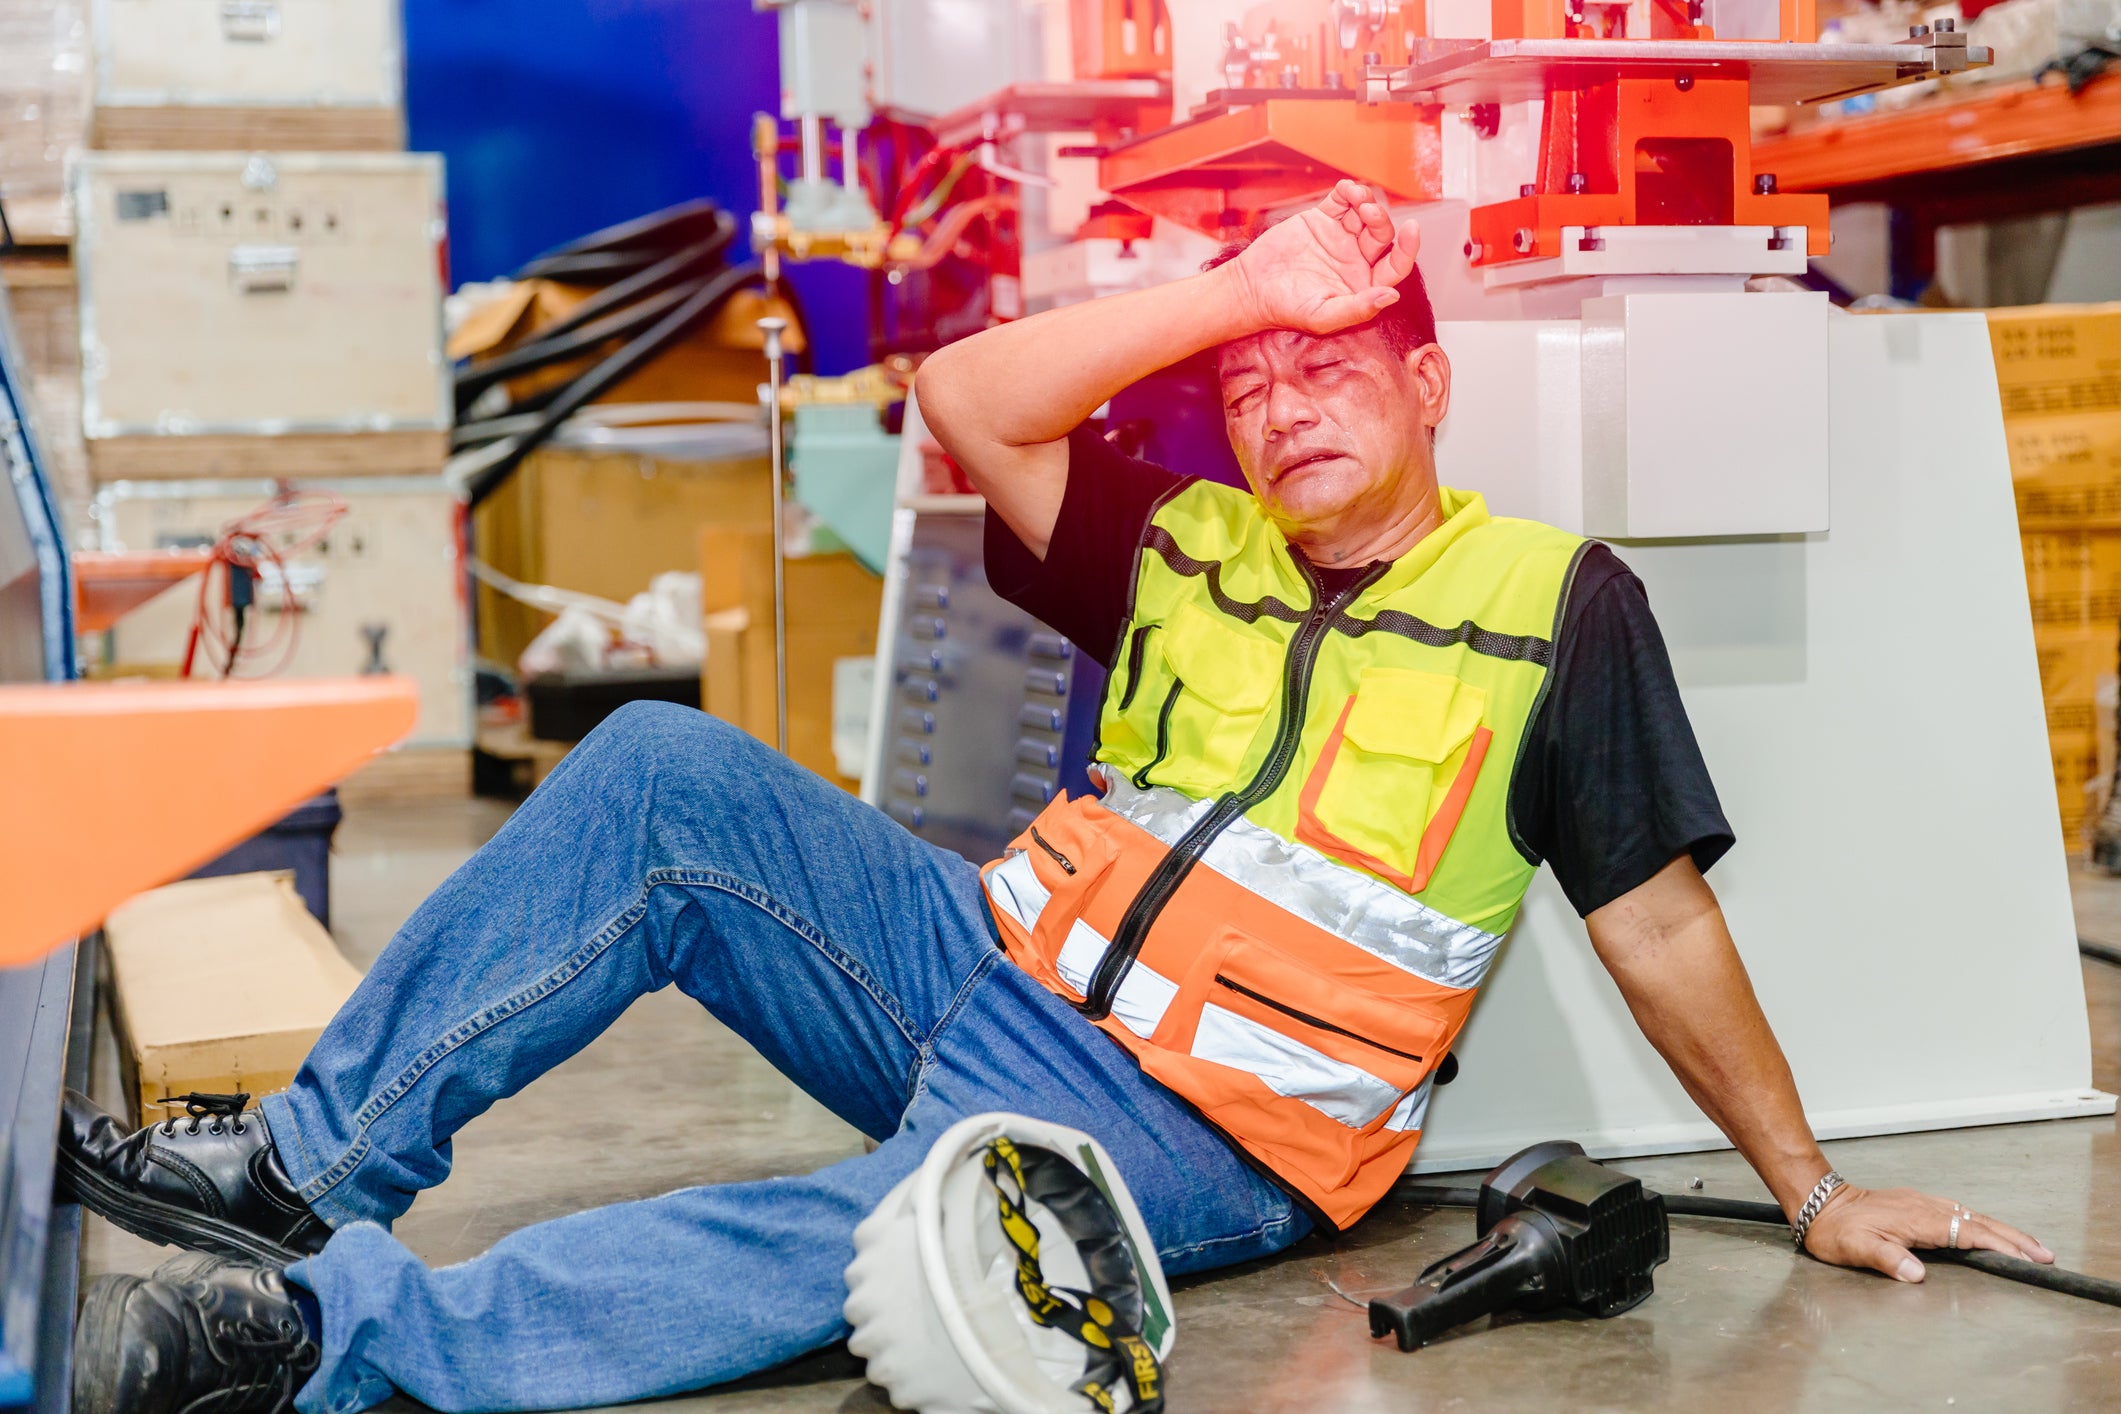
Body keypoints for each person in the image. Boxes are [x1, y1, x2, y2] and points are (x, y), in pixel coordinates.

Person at [59, 181, 2052, 1414]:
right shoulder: (1186, 543)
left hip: (1202, 1111)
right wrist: (1234, 286)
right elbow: (969, 401)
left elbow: (1655, 916)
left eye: (1335, 359)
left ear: (1433, 388)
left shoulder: (1554, 603)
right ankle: (310, 1170)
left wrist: (1805, 1181)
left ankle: (329, 1333)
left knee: (871, 1240)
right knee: (661, 768)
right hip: (977, 957)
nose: (1285, 401)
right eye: (1257, 378)